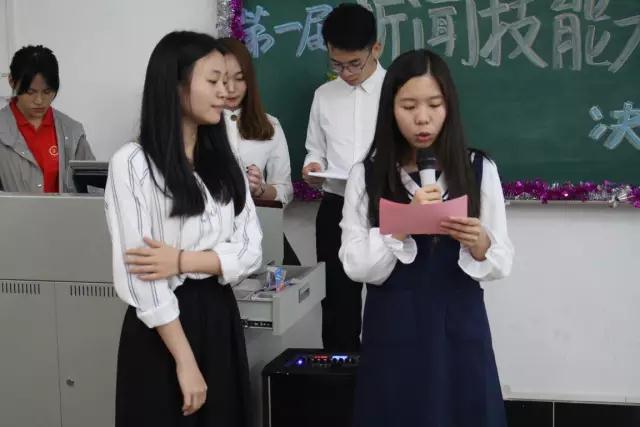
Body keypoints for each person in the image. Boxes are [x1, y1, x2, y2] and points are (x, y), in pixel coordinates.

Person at [339, 49, 514, 426]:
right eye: (408, 106)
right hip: (394, 330)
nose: (422, 118)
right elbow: (355, 265)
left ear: (449, 106)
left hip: (458, 328)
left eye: (434, 105)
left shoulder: (478, 169)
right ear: (390, 109)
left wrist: (479, 243)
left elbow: (502, 260)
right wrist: (405, 221)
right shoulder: (366, 175)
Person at [104, 31, 262, 427]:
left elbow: (251, 250)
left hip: (219, 314)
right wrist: (185, 361)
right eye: (213, 80)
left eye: (229, 80)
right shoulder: (133, 164)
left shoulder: (224, 156)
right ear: (175, 85)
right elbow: (143, 276)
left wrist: (180, 260)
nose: (225, 91)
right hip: (163, 329)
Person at [301, 3, 385, 351]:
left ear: (375, 49)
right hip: (335, 205)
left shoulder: (398, 91)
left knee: (388, 301)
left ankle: (384, 376)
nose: (346, 72)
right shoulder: (324, 95)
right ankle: (341, 376)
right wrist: (312, 166)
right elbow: (315, 150)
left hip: (386, 207)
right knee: (337, 305)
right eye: (337, 64)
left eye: (354, 64)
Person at [220, 37, 299, 265]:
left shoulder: (269, 125)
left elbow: (285, 190)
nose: (231, 89)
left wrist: (260, 189)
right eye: (223, 80)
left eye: (239, 79)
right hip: (210, 235)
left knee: (289, 278)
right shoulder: (195, 124)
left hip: (258, 228)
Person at [0, 45, 94, 193]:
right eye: (30, 92)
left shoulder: (72, 131)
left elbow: (94, 189)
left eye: (47, 91)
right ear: (12, 81)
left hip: (64, 210)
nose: (39, 100)